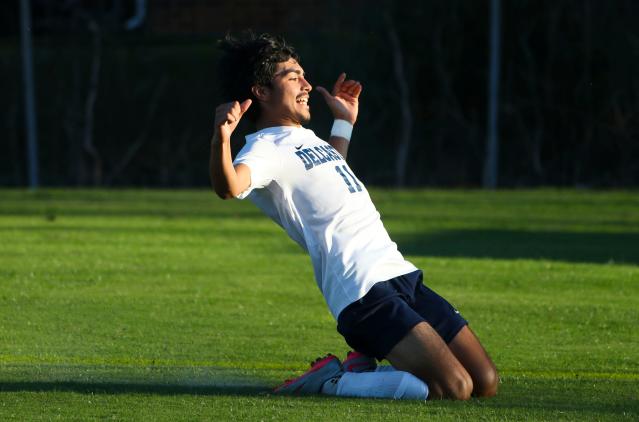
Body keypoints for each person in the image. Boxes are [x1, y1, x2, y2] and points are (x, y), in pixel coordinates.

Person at [210, 32, 498, 400]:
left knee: (484, 382)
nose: (307, 85)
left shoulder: (307, 138)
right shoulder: (264, 149)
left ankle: (369, 364)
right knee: (454, 387)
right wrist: (221, 138)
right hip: (362, 291)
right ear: (262, 92)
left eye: (303, 74)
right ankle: (332, 380)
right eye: (292, 76)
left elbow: (331, 177)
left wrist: (343, 125)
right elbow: (229, 186)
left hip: (398, 272)